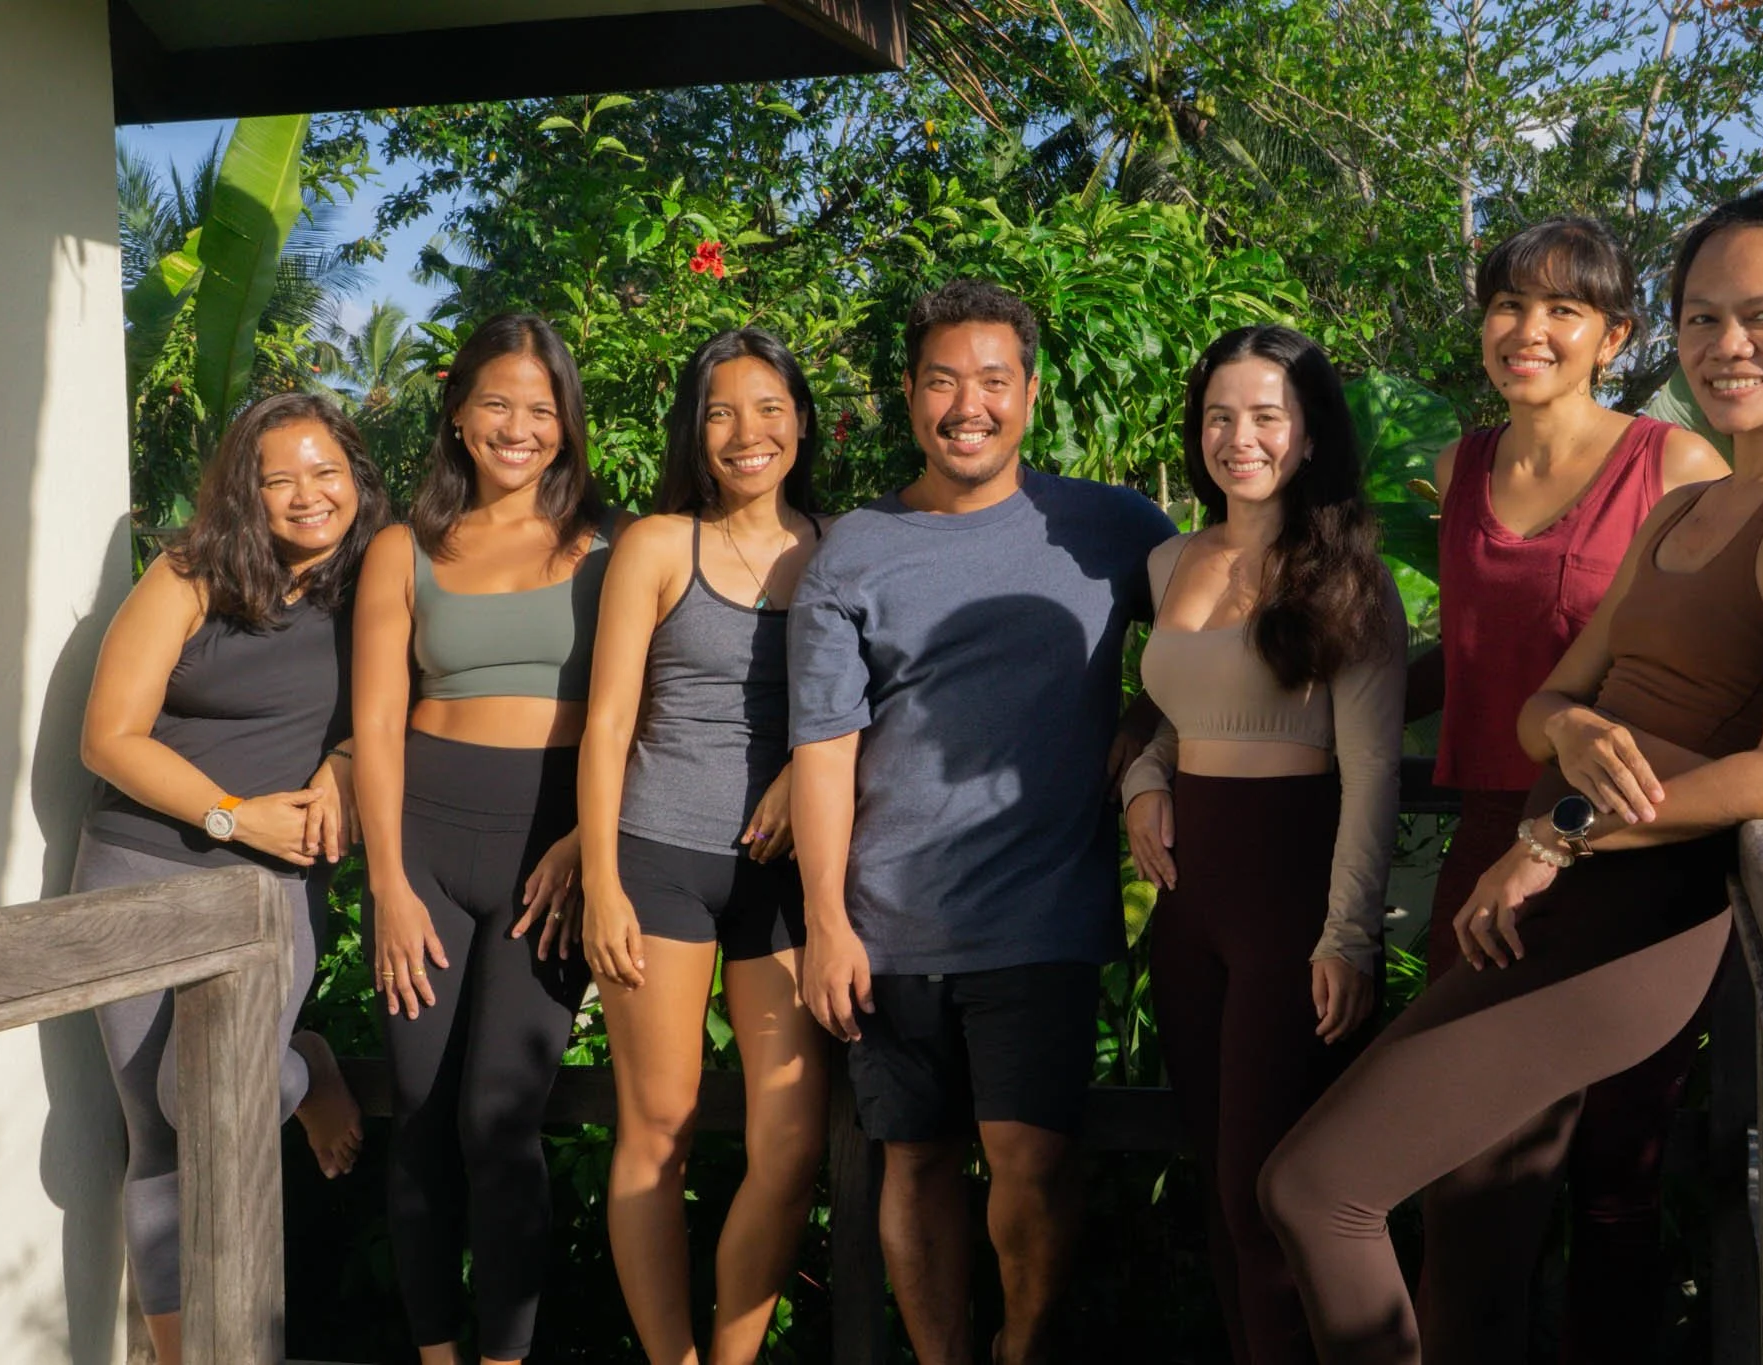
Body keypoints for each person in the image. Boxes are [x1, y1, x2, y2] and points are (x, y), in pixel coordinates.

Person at [1259, 186, 1763, 1365]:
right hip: (1548, 882)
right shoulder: (1687, 504)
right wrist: (1571, 739)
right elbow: (1541, 702)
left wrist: (1551, 841)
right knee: (1470, 1228)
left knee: (1315, 1189)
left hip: (1625, 907)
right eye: (1701, 318)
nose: (1726, 347)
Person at [787, 279, 1176, 1365]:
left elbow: (1220, 617)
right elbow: (820, 747)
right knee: (909, 1160)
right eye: (943, 381)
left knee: (1032, 1162)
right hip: (887, 918)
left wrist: (1148, 724)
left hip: (1042, 912)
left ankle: (1020, 1347)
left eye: (993, 381)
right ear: (910, 396)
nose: (969, 404)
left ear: (1030, 394)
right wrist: (825, 919)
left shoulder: (1104, 524)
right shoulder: (854, 550)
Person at [1411, 218, 1727, 1361]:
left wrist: (1571, 829)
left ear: (1614, 336)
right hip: (1484, 834)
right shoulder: (1454, 468)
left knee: (1612, 1167)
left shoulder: (1674, 467)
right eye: (1507, 303)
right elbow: (1455, 656)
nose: (1526, 330)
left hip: (1629, 839)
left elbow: (1703, 670)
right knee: (1462, 1155)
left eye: (1561, 311)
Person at [75, 391, 383, 1364]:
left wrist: (338, 769)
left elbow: (394, 716)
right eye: (278, 477)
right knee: (157, 1134)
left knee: (195, 1090)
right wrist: (229, 811)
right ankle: (181, 1357)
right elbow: (107, 737)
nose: (307, 495)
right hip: (134, 864)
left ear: (357, 478)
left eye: (325, 472)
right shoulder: (190, 574)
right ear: (243, 492)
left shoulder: (384, 582)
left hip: (267, 889)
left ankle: (304, 1065)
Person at [1120, 324, 1405, 1365]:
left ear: (1307, 433)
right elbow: (1171, 708)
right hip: (1188, 905)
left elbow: (1371, 768)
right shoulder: (1166, 560)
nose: (1237, 438)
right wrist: (1146, 779)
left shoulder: (1344, 574)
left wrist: (1346, 935)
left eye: (1265, 417)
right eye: (1217, 417)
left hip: (1289, 900)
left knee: (1265, 1199)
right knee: (1214, 1184)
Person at [354, 313, 627, 1365]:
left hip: (546, 855)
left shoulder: (612, 548)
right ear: (459, 415)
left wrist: (583, 843)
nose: (520, 427)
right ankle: (433, 1353)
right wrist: (386, 882)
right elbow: (376, 722)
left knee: (500, 1121)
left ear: (567, 424)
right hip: (421, 843)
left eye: (542, 407)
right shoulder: (400, 548)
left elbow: (633, 716)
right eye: (497, 404)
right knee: (419, 1117)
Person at [577, 328, 830, 1365]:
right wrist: (598, 880)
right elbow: (606, 725)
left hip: (785, 875)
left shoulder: (837, 544)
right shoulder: (654, 545)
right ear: (695, 429)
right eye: (721, 411)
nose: (745, 432)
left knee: (790, 1144)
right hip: (657, 858)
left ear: (801, 422)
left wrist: (795, 770)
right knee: (657, 1133)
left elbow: (878, 700)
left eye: (767, 408)